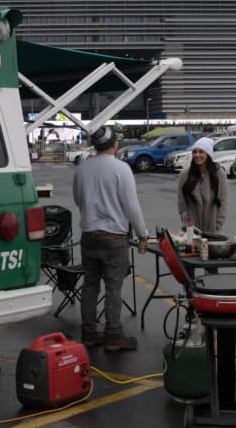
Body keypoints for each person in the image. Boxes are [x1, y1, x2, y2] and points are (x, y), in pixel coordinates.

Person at [72, 126, 153, 352]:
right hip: (114, 237)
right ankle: (114, 335)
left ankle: (89, 332)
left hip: (89, 236)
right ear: (115, 145)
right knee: (113, 287)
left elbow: (78, 200)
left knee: (90, 285)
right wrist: (142, 234)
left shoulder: (82, 168)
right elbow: (131, 207)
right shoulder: (121, 169)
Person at [177, 137, 229, 234]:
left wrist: (217, 226)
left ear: (208, 154)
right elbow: (181, 202)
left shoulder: (219, 173)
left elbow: (223, 201)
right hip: (191, 230)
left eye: (201, 152)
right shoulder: (185, 175)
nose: (197, 155)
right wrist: (186, 222)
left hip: (213, 230)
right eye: (195, 152)